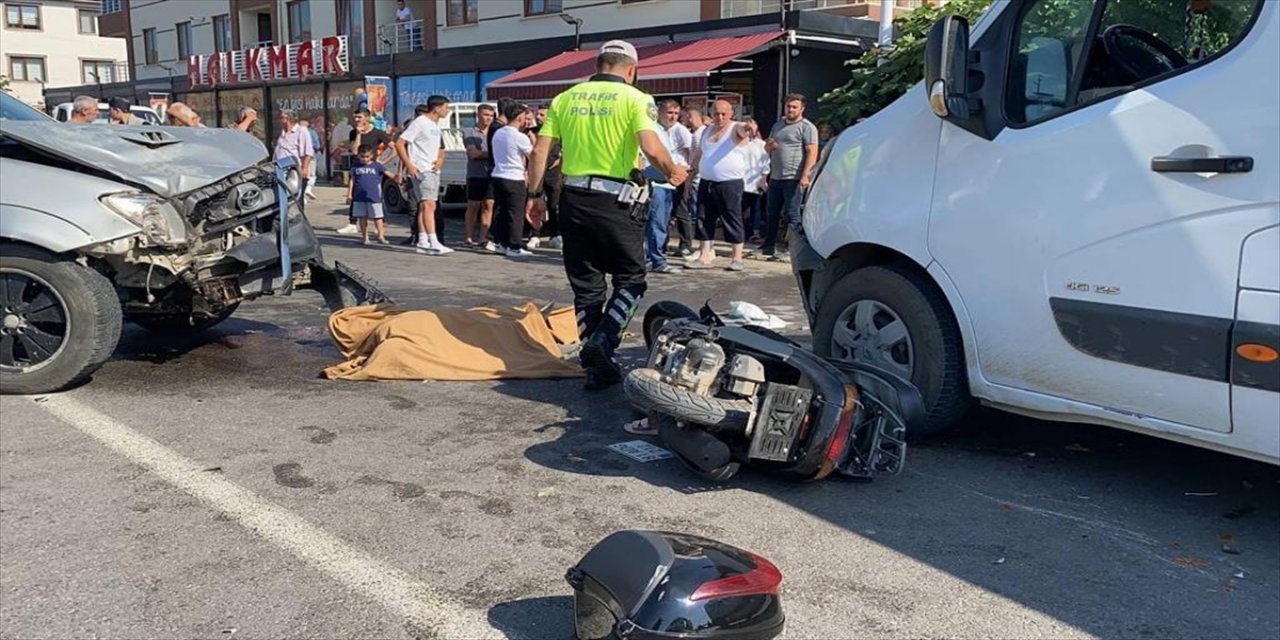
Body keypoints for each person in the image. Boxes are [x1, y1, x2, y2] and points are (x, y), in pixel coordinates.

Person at [526, 40, 688, 389]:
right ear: (631, 70)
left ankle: (595, 366)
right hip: (617, 202)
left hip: (572, 198)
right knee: (631, 279)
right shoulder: (636, 98)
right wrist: (672, 169)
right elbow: (649, 145)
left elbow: (541, 149)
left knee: (587, 287)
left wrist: (535, 195)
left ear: (598, 65)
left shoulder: (565, 98)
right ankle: (605, 340)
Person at [688, 99, 753, 272]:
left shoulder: (736, 127)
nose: (720, 117)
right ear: (711, 114)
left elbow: (744, 129)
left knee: (731, 217)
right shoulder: (706, 130)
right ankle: (704, 255)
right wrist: (690, 173)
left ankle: (737, 257)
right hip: (707, 181)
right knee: (703, 217)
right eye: (716, 113)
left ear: (731, 114)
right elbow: (700, 154)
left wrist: (748, 127)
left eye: (724, 113)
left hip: (729, 183)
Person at [760, 93, 819, 259]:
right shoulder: (778, 125)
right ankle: (768, 246)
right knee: (771, 212)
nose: (791, 109)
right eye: (788, 106)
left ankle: (794, 249)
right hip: (776, 177)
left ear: (802, 108)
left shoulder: (808, 127)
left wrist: (805, 176)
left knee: (792, 215)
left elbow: (812, 152)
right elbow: (767, 148)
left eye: (794, 107)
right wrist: (769, 146)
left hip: (793, 177)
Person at [395, 95, 453, 255]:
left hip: (432, 169)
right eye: (446, 107)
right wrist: (409, 165)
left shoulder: (434, 125)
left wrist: (440, 160)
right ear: (437, 108)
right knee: (429, 205)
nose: (448, 111)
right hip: (422, 169)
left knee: (424, 205)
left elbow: (440, 148)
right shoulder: (420, 122)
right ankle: (434, 241)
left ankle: (422, 240)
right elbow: (400, 143)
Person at [644, 99, 693, 274]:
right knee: (656, 222)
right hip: (655, 183)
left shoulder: (669, 132)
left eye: (676, 113)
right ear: (659, 112)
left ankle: (654, 257)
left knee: (661, 223)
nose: (672, 117)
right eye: (669, 113)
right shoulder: (652, 130)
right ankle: (655, 260)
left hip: (669, 184)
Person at [489, 103, 535, 258]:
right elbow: (532, 156)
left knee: (501, 210)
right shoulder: (520, 137)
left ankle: (501, 243)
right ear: (519, 117)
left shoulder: (498, 132)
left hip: (498, 175)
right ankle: (514, 246)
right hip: (514, 177)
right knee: (515, 213)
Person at [338, 108, 392, 235]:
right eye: (355, 117)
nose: (357, 120)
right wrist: (358, 134)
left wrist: (383, 160)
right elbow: (355, 151)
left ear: (367, 118)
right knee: (356, 195)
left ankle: (378, 225)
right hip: (357, 166)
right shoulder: (353, 132)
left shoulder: (378, 133)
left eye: (360, 117)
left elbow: (394, 147)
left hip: (372, 168)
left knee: (373, 196)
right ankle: (352, 223)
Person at [346, 144, 399, 245]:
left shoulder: (377, 166)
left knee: (378, 217)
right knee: (362, 217)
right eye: (362, 156)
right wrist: (349, 195)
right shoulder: (355, 167)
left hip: (374, 197)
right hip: (359, 197)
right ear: (358, 155)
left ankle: (381, 236)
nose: (365, 159)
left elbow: (389, 174)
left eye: (367, 157)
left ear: (371, 156)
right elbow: (352, 181)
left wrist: (398, 178)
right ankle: (365, 237)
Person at [672, 107, 705, 258]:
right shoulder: (697, 133)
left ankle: (690, 245)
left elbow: (693, 155)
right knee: (685, 211)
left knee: (690, 211)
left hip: (692, 177)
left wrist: (690, 176)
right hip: (689, 176)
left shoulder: (694, 133)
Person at [463, 103, 496, 247]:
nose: (488, 118)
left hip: (492, 174)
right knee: (473, 205)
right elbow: (473, 154)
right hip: (476, 174)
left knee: (489, 204)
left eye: (490, 115)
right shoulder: (469, 132)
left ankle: (484, 237)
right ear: (478, 115)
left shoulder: (495, 132)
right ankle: (469, 237)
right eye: (485, 115)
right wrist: (493, 154)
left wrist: (483, 154)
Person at [274, 109, 314, 213]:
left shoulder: (301, 131)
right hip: (281, 171)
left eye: (282, 118)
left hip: (295, 171)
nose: (280, 120)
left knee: (296, 199)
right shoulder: (283, 133)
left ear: (289, 119)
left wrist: (304, 168)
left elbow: (308, 152)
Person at [739, 118, 770, 244]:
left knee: (756, 208)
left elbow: (766, 162)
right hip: (741, 181)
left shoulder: (761, 144)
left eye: (753, 127)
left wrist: (763, 178)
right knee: (739, 209)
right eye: (748, 128)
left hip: (755, 181)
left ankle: (755, 233)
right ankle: (740, 233)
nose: (750, 130)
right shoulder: (740, 143)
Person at [299, 119, 321, 200]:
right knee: (311, 174)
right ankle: (308, 189)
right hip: (310, 156)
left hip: (299, 157)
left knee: (300, 175)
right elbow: (317, 145)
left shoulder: (295, 133)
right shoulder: (312, 132)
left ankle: (302, 195)